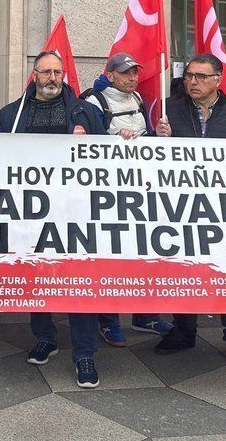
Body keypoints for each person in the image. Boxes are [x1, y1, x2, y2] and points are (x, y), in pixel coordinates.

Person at [0, 50, 103, 389]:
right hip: (30, 211)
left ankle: (84, 353)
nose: (53, 78)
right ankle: (45, 337)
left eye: (58, 72)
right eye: (46, 72)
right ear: (34, 75)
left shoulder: (86, 112)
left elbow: (107, 157)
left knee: (80, 279)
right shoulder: (10, 115)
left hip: (75, 211)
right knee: (36, 275)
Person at [155, 53, 226, 369]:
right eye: (189, 75)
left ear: (218, 80)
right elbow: (150, 156)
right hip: (182, 206)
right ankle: (183, 330)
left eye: (201, 77)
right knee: (184, 269)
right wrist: (158, 138)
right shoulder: (170, 108)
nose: (193, 82)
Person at [85, 52, 172, 346]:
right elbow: (88, 147)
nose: (132, 77)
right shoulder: (94, 102)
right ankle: (108, 321)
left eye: (135, 72)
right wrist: (114, 141)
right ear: (109, 75)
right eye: (125, 72)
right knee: (110, 258)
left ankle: (145, 315)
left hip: (141, 188)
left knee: (144, 253)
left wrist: (159, 136)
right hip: (109, 192)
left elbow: (145, 143)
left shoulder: (138, 99)